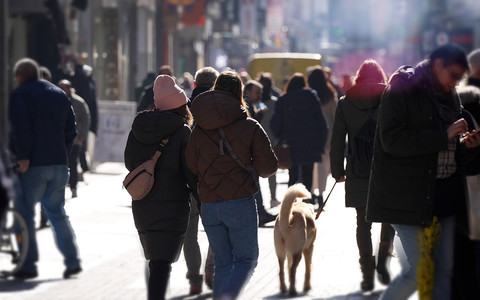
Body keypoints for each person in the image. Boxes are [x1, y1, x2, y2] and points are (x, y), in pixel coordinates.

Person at [366, 44, 480, 300]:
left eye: (460, 78)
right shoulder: (403, 86)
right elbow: (391, 140)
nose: (456, 82)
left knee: (444, 271)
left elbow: (451, 150)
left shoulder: (451, 96)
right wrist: (443, 135)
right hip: (407, 196)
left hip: (445, 195)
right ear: (438, 64)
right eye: (453, 75)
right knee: (419, 271)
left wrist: (469, 147)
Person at [185, 70, 278, 299]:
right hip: (240, 203)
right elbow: (269, 168)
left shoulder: (199, 126)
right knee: (246, 261)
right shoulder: (249, 125)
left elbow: (191, 164)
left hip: (209, 205)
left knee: (223, 265)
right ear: (239, 93)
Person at [124, 74, 198, 300]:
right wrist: (202, 200)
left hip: (143, 201)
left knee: (156, 261)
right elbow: (190, 171)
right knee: (162, 263)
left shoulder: (139, 125)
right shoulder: (182, 131)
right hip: (173, 205)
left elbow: (129, 161)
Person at [8, 58, 82, 280]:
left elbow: (21, 128)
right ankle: (72, 261)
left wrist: (22, 156)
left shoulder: (21, 94)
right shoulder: (58, 93)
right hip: (59, 163)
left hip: (33, 165)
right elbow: (72, 128)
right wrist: (63, 153)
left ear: (21, 76)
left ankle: (28, 265)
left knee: (24, 214)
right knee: (58, 214)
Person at [330, 59, 395, 291]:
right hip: (387, 169)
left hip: (357, 169)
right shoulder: (389, 98)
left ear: (358, 78)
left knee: (362, 222)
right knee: (388, 218)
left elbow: (337, 140)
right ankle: (383, 262)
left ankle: (367, 272)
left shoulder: (346, 103)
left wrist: (337, 170)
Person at [183, 66, 219, 295]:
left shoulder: (183, 106)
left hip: (188, 179)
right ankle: (211, 268)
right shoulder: (223, 108)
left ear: (194, 84)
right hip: (214, 179)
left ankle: (194, 279)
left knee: (190, 232)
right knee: (216, 228)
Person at [270, 73, 328, 199]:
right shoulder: (312, 96)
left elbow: (276, 123)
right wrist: (321, 142)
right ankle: (306, 205)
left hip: (290, 144)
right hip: (311, 144)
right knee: (308, 176)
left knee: (293, 176)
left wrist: (279, 138)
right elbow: (321, 121)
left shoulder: (284, 99)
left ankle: (291, 205)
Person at [243, 80, 278, 225]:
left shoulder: (251, 105)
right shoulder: (246, 106)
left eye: (261, 93)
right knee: (253, 182)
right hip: (246, 154)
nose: (260, 95)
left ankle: (260, 212)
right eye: (257, 92)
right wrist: (259, 117)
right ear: (247, 93)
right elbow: (248, 127)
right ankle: (260, 213)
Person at [307, 67, 338, 205]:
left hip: (311, 132)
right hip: (328, 133)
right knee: (323, 165)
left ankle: (311, 191)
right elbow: (335, 115)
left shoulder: (308, 94)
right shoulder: (330, 93)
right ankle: (320, 192)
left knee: (311, 164)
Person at [58, 79, 91, 198]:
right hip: (59, 141)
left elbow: (85, 119)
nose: (62, 90)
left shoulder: (78, 102)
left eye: (64, 88)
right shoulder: (55, 101)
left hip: (74, 140)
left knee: (72, 164)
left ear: (70, 89)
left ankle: (73, 186)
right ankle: (60, 187)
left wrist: (82, 135)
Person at [258, 72, 280, 208]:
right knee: (272, 170)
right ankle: (273, 198)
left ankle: (258, 200)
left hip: (257, 138)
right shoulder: (274, 102)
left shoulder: (258, 104)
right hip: (271, 138)